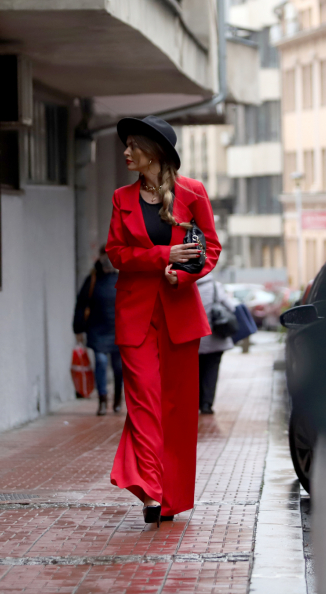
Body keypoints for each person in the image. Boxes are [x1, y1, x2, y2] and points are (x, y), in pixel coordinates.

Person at [105, 115, 221, 527]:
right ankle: (151, 491)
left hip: (179, 313)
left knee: (177, 408)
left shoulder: (193, 192)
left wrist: (183, 274)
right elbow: (116, 253)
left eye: (133, 146)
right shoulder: (121, 197)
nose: (126, 152)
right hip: (135, 315)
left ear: (154, 152)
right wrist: (162, 257)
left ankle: (171, 498)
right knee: (143, 402)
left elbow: (210, 247)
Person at [73, 251, 124, 416]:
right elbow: (81, 304)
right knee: (101, 363)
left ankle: (118, 398)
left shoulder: (123, 278)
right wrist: (78, 328)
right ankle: (102, 399)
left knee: (118, 367)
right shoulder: (93, 280)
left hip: (118, 330)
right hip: (97, 330)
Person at [196, 274, 238, 414]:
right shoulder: (215, 286)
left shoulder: (186, 286)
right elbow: (231, 307)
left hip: (195, 340)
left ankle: (195, 402)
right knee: (211, 371)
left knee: (195, 372)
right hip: (215, 338)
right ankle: (206, 404)